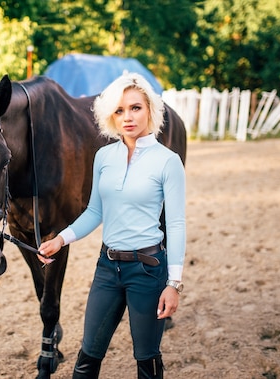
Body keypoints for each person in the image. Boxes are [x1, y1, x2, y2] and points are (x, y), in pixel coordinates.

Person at [38, 72, 186, 379]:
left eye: (135, 108)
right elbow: (94, 211)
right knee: (87, 359)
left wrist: (173, 284)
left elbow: (176, 223)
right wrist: (61, 240)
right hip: (107, 269)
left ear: (150, 110)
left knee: (147, 362)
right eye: (119, 111)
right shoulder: (104, 156)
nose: (128, 117)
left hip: (148, 270)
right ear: (110, 117)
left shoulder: (167, 161)